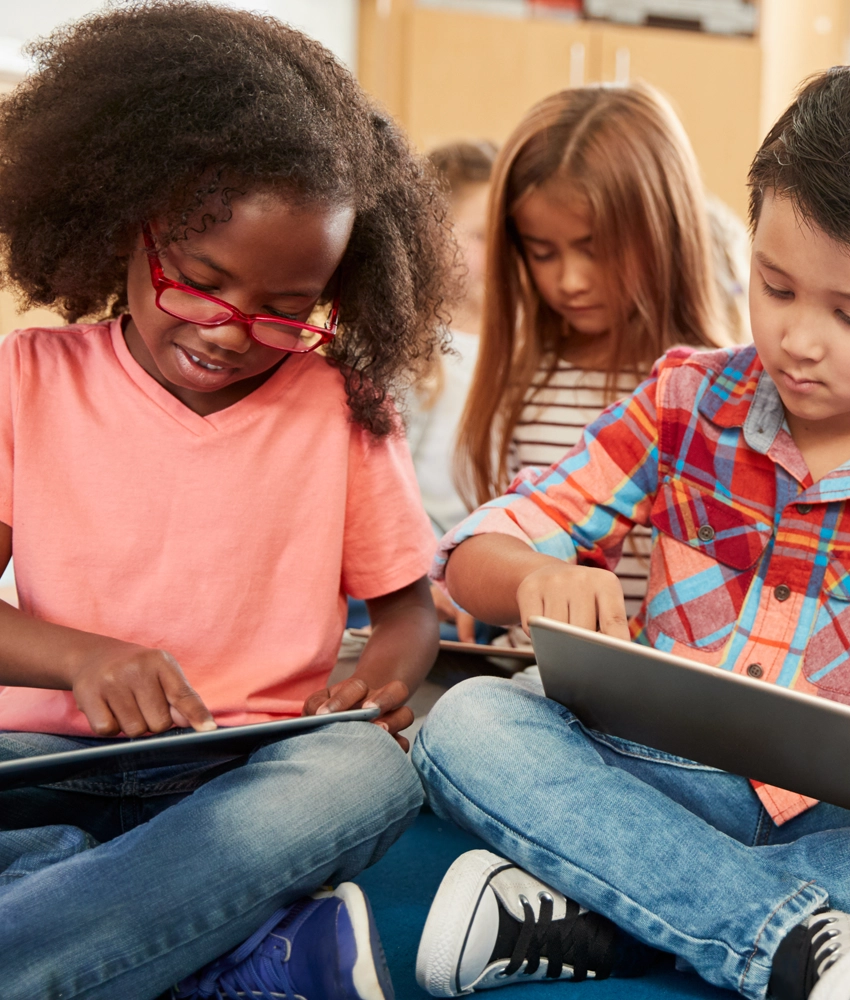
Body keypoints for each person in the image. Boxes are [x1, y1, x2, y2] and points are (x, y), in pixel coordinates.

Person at [411, 63, 850, 1000]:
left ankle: (607, 913)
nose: (800, 339)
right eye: (775, 287)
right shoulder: (687, 398)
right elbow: (477, 548)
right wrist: (530, 577)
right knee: (470, 725)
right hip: (658, 776)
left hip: (846, 817)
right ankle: (801, 945)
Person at [0, 4, 451, 998]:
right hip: (36, 760)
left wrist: (375, 683)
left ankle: (49, 933)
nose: (232, 331)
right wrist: (82, 656)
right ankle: (231, 950)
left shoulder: (343, 408)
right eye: (200, 283)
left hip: (240, 775)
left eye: (287, 312)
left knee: (369, 778)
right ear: (128, 222)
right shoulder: (25, 379)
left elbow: (407, 615)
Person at [454, 83, 725, 627]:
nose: (570, 281)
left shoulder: (715, 393)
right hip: (530, 673)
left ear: (664, 231)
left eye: (595, 250)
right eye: (542, 252)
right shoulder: (522, 379)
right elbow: (501, 542)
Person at [406, 141, 496, 643]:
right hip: (418, 577)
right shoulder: (411, 351)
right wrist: (421, 575)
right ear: (430, 235)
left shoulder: (524, 348)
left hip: (489, 576)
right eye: (483, 236)